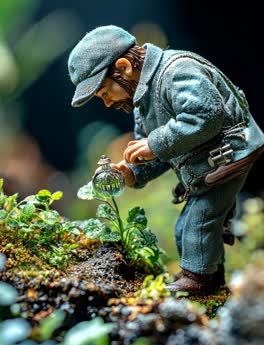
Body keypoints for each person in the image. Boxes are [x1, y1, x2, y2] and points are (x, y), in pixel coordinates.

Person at [68, 25, 264, 295]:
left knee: (201, 219)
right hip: (206, 163)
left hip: (229, 155)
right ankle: (209, 278)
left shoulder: (177, 71)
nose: (108, 103)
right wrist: (133, 171)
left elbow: (204, 117)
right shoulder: (142, 99)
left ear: (124, 68)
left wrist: (154, 143)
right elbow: (159, 149)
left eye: (104, 92)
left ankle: (197, 282)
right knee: (187, 226)